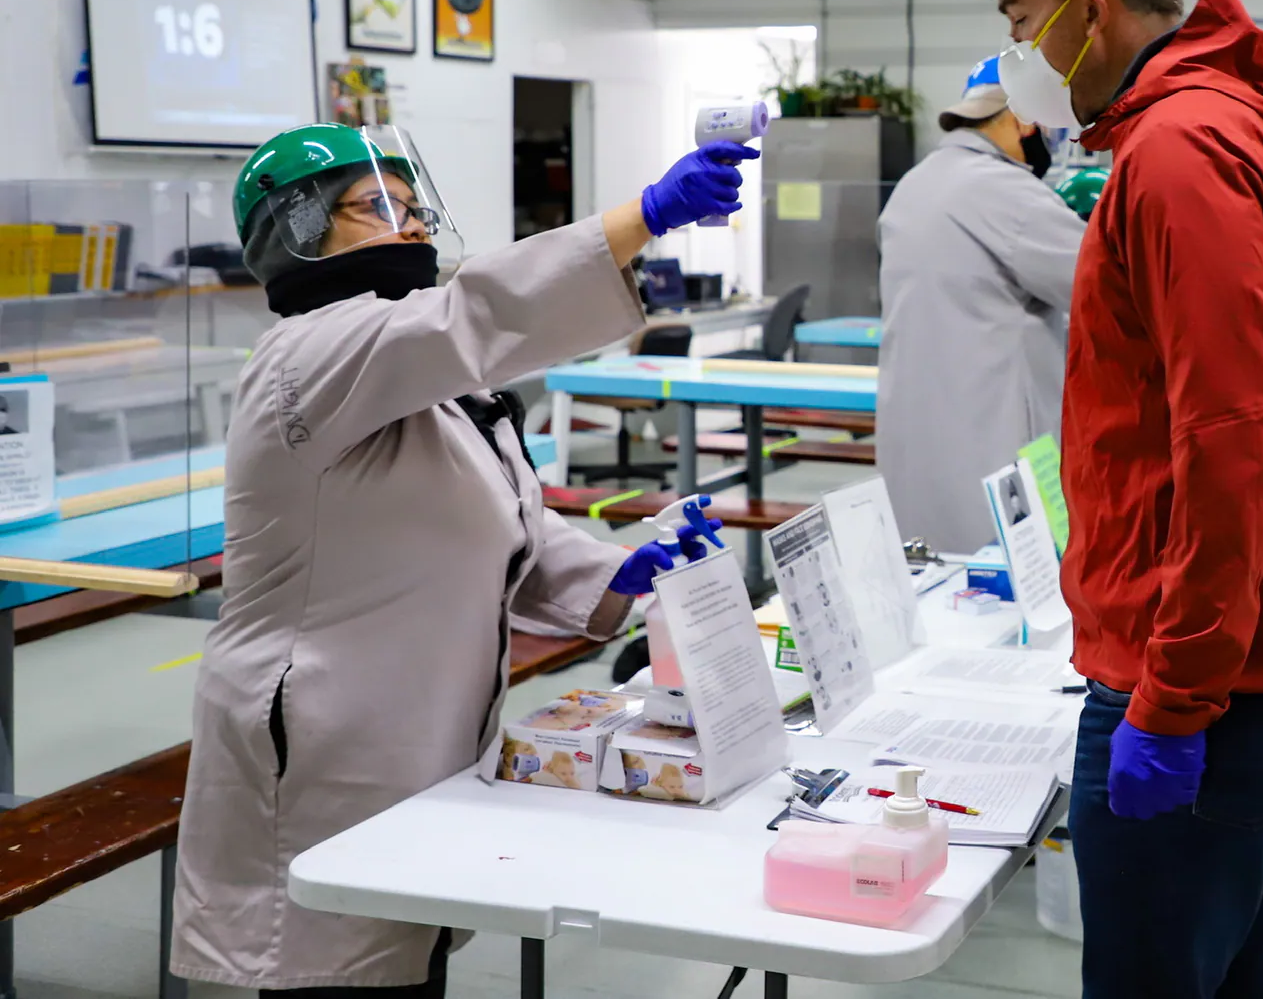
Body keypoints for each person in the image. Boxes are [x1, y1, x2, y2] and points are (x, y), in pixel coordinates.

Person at [939, 0, 1263, 997]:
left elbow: (1237, 448)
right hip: (1244, 664)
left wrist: (1176, 697)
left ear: (1085, 12)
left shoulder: (1181, 154)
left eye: (1018, 17)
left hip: (1211, 682)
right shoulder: (1196, 134)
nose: (1010, 53)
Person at [171, 123, 754, 995]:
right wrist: (643, 217)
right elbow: (477, 312)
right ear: (298, 231)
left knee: (404, 946)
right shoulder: (310, 355)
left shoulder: (422, 377)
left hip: (416, 720)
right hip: (325, 733)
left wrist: (618, 572)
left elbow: (496, 520)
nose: (409, 226)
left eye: (413, 207)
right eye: (376, 208)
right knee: (336, 957)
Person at [876, 56, 1084, 552]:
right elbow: (1106, 287)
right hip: (995, 459)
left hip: (917, 453)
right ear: (1024, 118)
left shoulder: (913, 186)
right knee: (1007, 588)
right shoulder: (1008, 191)